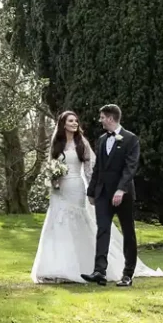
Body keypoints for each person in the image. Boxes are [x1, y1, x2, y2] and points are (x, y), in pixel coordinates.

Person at [30, 111, 98, 283]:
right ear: (63, 124)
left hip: (76, 187)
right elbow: (50, 165)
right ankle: (54, 268)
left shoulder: (82, 143)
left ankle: (81, 267)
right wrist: (53, 179)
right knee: (57, 224)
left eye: (76, 120)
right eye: (71, 121)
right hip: (59, 191)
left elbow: (89, 169)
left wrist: (92, 191)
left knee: (75, 223)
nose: (75, 123)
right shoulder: (57, 143)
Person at [86, 104, 140, 286]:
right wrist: (91, 192)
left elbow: (130, 167)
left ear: (110, 118)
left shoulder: (131, 139)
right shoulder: (101, 140)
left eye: (102, 117)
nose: (100, 120)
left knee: (128, 231)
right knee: (102, 230)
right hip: (102, 193)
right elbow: (98, 168)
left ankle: (128, 274)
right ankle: (99, 271)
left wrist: (121, 189)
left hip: (122, 194)